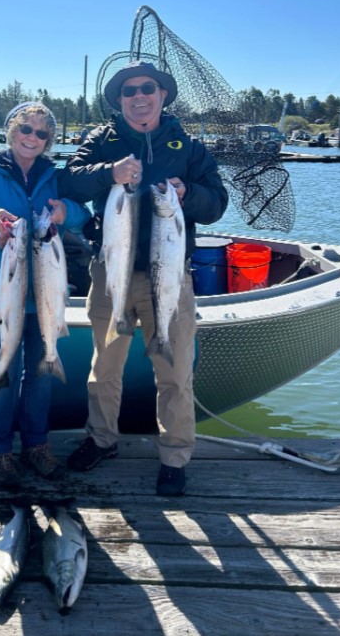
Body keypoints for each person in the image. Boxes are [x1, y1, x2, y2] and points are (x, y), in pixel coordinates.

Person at [60, 59, 228, 497]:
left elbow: (217, 204)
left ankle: (174, 455)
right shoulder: (101, 140)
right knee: (104, 369)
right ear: (119, 100)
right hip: (112, 273)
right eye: (129, 90)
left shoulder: (188, 146)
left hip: (170, 277)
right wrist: (107, 173)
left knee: (174, 372)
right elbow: (68, 182)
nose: (139, 96)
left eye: (147, 88)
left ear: (162, 94)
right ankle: (101, 440)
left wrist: (188, 193)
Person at [0, 102, 90, 489]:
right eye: (26, 128)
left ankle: (37, 446)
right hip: (0, 296)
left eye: (42, 133)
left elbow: (83, 214)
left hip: (44, 298)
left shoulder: (55, 174)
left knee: (40, 378)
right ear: (11, 130)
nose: (33, 138)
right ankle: (0, 452)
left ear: (50, 140)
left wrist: (64, 212)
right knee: (2, 372)